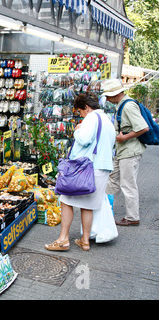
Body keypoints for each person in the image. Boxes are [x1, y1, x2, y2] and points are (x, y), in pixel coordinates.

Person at [45, 92, 116, 251]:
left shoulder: (91, 118)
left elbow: (84, 139)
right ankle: (85, 240)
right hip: (102, 168)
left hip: (87, 169)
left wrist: (78, 129)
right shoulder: (107, 120)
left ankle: (63, 240)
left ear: (86, 107)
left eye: (80, 112)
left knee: (66, 200)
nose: (80, 115)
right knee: (88, 205)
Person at [102, 79, 149, 226]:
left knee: (128, 184)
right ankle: (105, 209)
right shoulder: (122, 105)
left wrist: (124, 137)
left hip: (130, 151)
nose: (107, 99)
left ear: (116, 94)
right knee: (112, 179)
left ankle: (132, 217)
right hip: (122, 151)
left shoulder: (128, 106)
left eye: (108, 96)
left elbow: (143, 127)